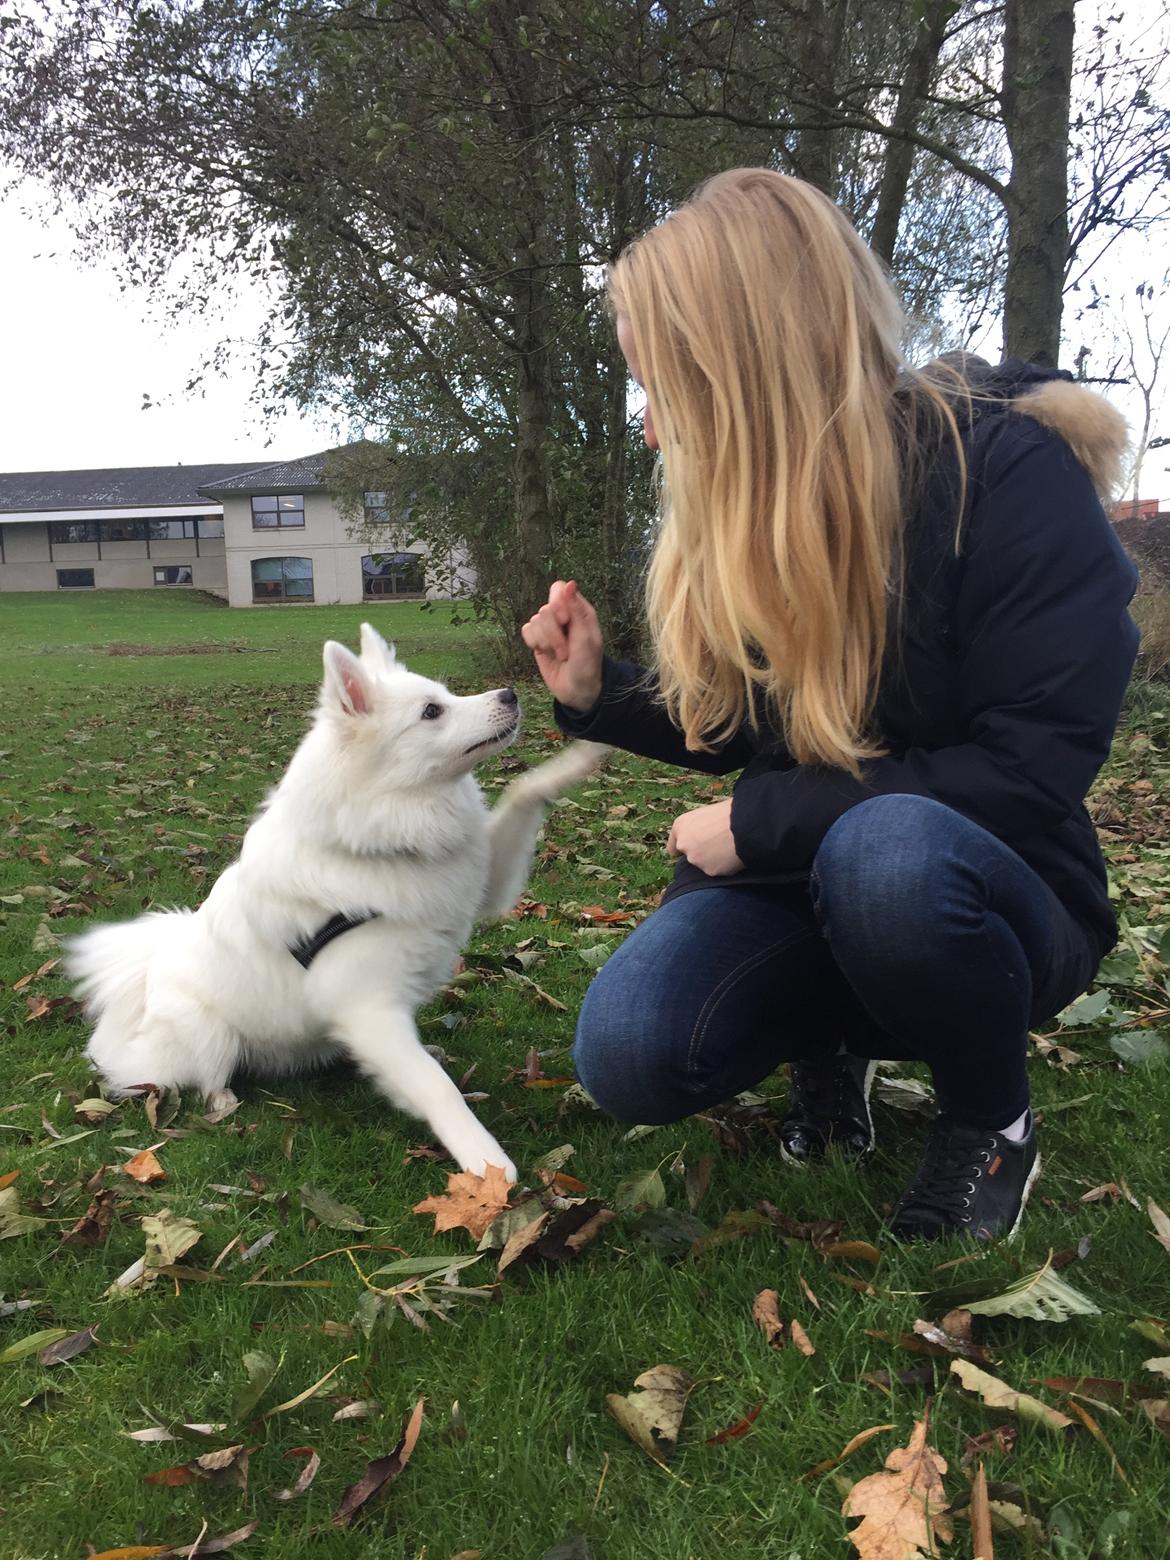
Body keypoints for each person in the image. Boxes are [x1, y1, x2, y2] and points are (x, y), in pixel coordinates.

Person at [522, 168, 1138, 1242]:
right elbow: (737, 730)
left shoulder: (1005, 473)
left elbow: (1028, 772)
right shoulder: (757, 520)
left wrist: (760, 824)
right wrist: (597, 697)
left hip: (1001, 890)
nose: (655, 431)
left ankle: (992, 1123)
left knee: (890, 858)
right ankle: (832, 1051)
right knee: (628, 1049)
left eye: (664, 387)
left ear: (744, 368)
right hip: (804, 883)